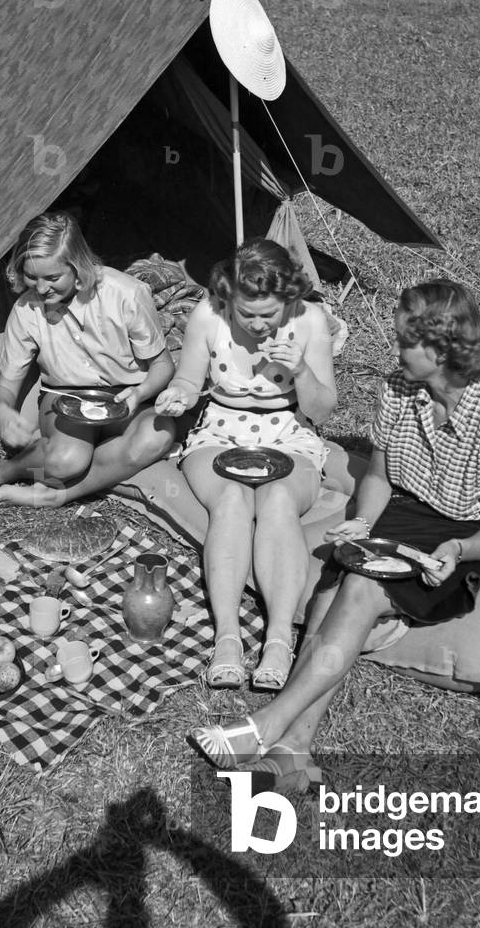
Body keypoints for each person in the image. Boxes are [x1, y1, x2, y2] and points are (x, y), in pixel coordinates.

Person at [187, 280, 480, 787]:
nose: (393, 350)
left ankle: (266, 725)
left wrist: (457, 548)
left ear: (439, 349)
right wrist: (364, 523)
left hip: (461, 533)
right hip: (404, 513)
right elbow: (379, 478)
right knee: (331, 591)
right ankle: (294, 751)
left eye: (403, 341)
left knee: (362, 589)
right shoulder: (397, 389)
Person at [155, 239, 337, 691]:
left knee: (277, 501)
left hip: (289, 431)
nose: (256, 324)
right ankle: (227, 639)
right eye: (246, 313)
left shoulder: (310, 320)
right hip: (220, 429)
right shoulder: (208, 314)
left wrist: (302, 373)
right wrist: (177, 395)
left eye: (267, 315)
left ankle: (278, 640)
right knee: (232, 501)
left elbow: (323, 409)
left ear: (290, 298)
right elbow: (189, 378)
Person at [0, 212, 176, 509]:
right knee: (66, 462)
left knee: (157, 437)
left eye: (52, 278)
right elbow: (5, 387)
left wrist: (139, 394)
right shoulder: (26, 310)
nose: (41, 288)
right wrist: (3, 411)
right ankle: (3, 471)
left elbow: (163, 366)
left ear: (78, 267)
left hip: (127, 398)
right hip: (65, 397)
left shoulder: (126, 294)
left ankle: (58, 494)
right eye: (31, 277)